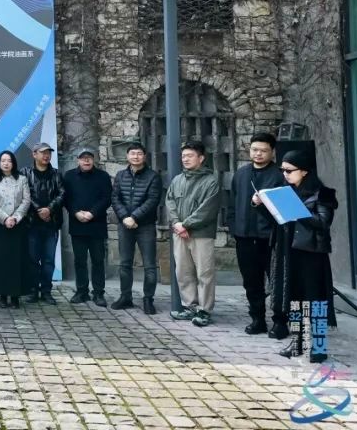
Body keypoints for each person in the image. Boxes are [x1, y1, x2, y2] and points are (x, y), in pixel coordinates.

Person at [266, 150, 337, 363]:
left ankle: (319, 346)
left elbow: (323, 222)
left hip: (312, 254)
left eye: (289, 171)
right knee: (294, 300)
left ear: (304, 171)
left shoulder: (322, 193)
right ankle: (297, 342)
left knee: (316, 301)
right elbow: (276, 221)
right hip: (289, 251)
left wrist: (297, 210)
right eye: (283, 170)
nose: (285, 174)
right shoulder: (286, 192)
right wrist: (261, 204)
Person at [227, 132, 285, 336]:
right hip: (244, 237)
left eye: (263, 150)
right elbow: (231, 205)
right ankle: (257, 319)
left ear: (272, 152)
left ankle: (280, 321)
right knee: (251, 282)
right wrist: (235, 229)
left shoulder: (280, 175)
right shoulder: (241, 174)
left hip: (270, 239)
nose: (258, 154)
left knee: (277, 281)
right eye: (254, 150)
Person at [167, 141, 221, 327]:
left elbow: (207, 209)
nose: (185, 159)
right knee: (183, 271)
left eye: (190, 156)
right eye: (183, 156)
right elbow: (170, 202)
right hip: (179, 233)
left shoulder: (211, 181)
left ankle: (205, 310)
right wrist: (176, 223)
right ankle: (189, 306)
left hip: (201, 234)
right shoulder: (177, 180)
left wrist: (186, 225)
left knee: (204, 273)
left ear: (201, 158)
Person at [110, 143, 162, 314]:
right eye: (133, 153)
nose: (136, 157)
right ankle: (126, 297)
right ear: (127, 156)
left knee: (149, 265)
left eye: (139, 153)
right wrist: (125, 217)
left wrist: (134, 217)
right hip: (125, 224)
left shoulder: (153, 176)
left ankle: (148, 299)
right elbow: (115, 198)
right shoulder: (120, 175)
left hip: (145, 225)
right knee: (125, 263)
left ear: (144, 156)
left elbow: (152, 200)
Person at [63, 148, 113, 307]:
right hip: (77, 224)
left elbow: (106, 198)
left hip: (97, 224)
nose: (86, 160)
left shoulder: (103, 176)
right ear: (77, 160)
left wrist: (92, 213)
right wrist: (76, 212)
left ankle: (98, 293)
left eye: (89, 158)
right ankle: (81, 291)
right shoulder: (69, 176)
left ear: (93, 159)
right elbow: (66, 198)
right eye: (83, 158)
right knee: (80, 260)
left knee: (98, 260)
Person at [0, 150, 32, 309]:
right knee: (1, 260)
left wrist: (16, 218)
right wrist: (5, 218)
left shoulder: (22, 179)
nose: (6, 163)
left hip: (18, 225)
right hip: (0, 225)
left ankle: (15, 296)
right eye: (3, 161)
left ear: (13, 163)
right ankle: (2, 295)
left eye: (9, 161)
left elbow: (26, 201)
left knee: (17, 260)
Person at [22, 142, 63, 304]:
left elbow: (62, 194)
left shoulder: (56, 174)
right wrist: (39, 210)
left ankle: (46, 291)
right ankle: (32, 290)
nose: (46, 156)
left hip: (51, 223)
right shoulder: (25, 173)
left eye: (48, 153)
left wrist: (49, 209)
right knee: (32, 259)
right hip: (32, 223)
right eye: (43, 152)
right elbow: (25, 194)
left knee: (49, 260)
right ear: (34, 154)